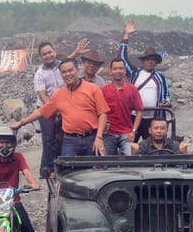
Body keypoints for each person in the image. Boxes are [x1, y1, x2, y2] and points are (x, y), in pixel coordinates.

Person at [12, 58, 109, 157]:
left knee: (93, 170)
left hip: (91, 138)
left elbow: (103, 113)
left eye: (70, 70)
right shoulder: (58, 95)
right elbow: (41, 111)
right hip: (70, 141)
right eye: (64, 72)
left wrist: (99, 137)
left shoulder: (93, 89)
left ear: (77, 70)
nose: (67, 74)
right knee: (68, 171)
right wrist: (21, 123)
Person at [33, 39, 89, 176]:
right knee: (49, 139)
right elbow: (42, 95)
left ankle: (58, 165)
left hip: (64, 107)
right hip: (47, 109)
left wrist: (76, 51)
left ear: (55, 52)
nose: (48, 56)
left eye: (50, 52)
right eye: (44, 54)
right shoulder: (39, 74)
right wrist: (53, 108)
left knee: (63, 137)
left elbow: (69, 61)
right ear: (41, 57)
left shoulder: (61, 66)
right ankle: (49, 168)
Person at [118, 20, 170, 142]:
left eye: (153, 60)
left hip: (153, 119)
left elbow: (166, 95)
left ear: (156, 62)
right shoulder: (134, 73)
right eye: (147, 59)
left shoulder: (160, 78)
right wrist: (126, 36)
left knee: (153, 147)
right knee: (130, 145)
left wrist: (166, 102)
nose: (150, 62)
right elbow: (121, 59)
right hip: (134, 117)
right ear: (142, 61)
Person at [101, 59, 144, 155]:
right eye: (115, 68)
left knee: (130, 159)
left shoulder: (132, 89)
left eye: (120, 68)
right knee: (106, 163)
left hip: (126, 134)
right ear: (111, 71)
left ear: (125, 70)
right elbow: (99, 111)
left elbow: (140, 110)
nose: (118, 71)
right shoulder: (104, 90)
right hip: (108, 134)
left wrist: (133, 131)